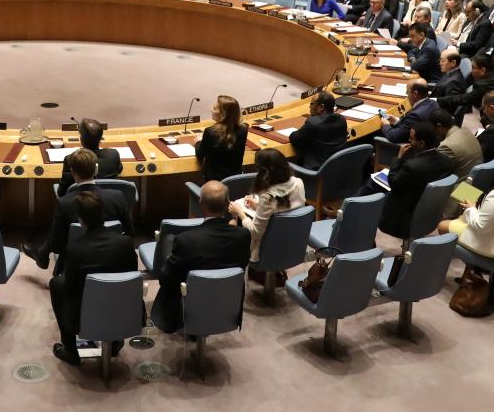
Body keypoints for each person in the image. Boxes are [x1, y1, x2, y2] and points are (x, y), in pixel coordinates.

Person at [48, 189, 138, 365]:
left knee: (56, 285)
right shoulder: (125, 243)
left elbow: (69, 288)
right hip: (124, 310)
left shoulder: (75, 249)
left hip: (84, 314)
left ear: (80, 219)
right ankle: (115, 340)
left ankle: (70, 350)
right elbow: (132, 276)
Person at [149, 181, 251, 334]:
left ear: (201, 204)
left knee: (168, 243)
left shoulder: (186, 240)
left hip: (189, 302)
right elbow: (242, 264)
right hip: (227, 300)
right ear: (227, 204)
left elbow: (165, 280)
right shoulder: (243, 235)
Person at [24, 148, 131, 271]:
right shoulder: (118, 197)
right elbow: (130, 232)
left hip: (76, 259)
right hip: (113, 256)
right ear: (96, 169)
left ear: (73, 173)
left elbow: (57, 246)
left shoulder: (64, 203)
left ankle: (42, 254)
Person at [378, 120, 453, 240]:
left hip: (404, 216)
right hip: (430, 212)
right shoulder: (446, 161)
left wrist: (399, 157)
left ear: (422, 143)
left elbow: (392, 182)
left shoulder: (412, 166)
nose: (409, 141)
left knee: (373, 191)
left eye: (412, 138)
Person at [231, 148, 305, 264]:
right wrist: (259, 206)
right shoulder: (298, 182)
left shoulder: (268, 197)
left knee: (234, 218)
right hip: (293, 238)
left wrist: (240, 212)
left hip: (268, 245)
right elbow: (286, 211)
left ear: (264, 172)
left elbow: (255, 233)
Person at [55, 117, 123, 194]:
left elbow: (62, 192)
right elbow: (119, 169)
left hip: (79, 202)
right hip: (108, 201)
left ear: (81, 139)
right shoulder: (113, 155)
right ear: (101, 138)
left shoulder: (71, 159)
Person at [289, 89, 348, 168]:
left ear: (321, 107)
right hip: (337, 168)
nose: (310, 106)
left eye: (312, 104)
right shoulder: (341, 119)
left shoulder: (313, 123)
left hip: (317, 171)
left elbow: (295, 139)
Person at [196, 94, 248, 182]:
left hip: (213, 184)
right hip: (235, 182)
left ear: (223, 114)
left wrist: (198, 142)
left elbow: (200, 154)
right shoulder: (243, 130)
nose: (211, 110)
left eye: (215, 108)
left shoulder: (210, 132)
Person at [380, 78, 442, 145]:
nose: (406, 93)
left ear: (415, 93)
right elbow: (408, 127)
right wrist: (396, 121)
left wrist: (386, 125)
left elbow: (394, 137)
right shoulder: (433, 103)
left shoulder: (415, 115)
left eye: (407, 91)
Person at [434, 110, 483, 178]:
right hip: (478, 177)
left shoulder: (446, 146)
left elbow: (436, 172)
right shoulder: (467, 131)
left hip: (462, 185)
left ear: (439, 126)